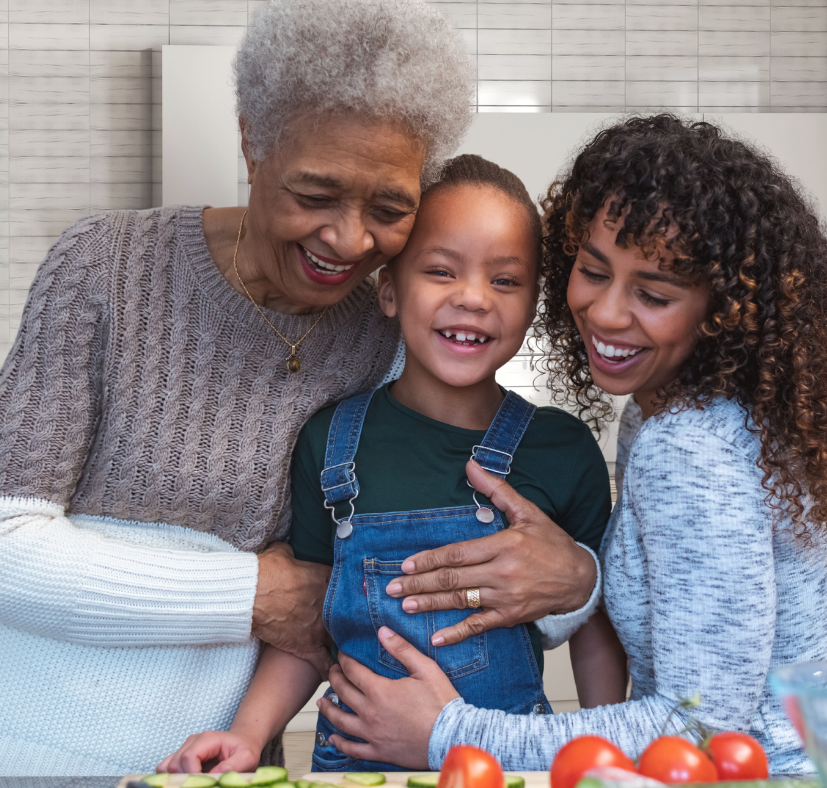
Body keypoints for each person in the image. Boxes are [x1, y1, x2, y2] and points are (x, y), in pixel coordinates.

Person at [314, 115, 827, 776]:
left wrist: (450, 733)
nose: (607, 313)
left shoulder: (688, 447)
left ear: (723, 307)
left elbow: (700, 725)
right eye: (592, 271)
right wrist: (581, 577)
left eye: (653, 294)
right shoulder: (680, 412)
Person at [0, 0, 483, 775]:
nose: (349, 239)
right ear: (253, 142)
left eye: (390, 208)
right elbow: (7, 545)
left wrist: (571, 577)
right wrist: (253, 593)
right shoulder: (104, 267)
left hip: (226, 767)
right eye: (315, 195)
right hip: (28, 755)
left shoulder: (388, 337)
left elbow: (387, 569)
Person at [157, 155, 612, 776]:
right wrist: (246, 735)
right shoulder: (329, 442)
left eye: (506, 280)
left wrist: (605, 762)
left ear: (534, 303)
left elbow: (594, 624)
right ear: (389, 291)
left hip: (507, 766)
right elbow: (308, 629)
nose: (473, 298)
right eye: (441, 271)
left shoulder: (563, 449)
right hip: (357, 768)